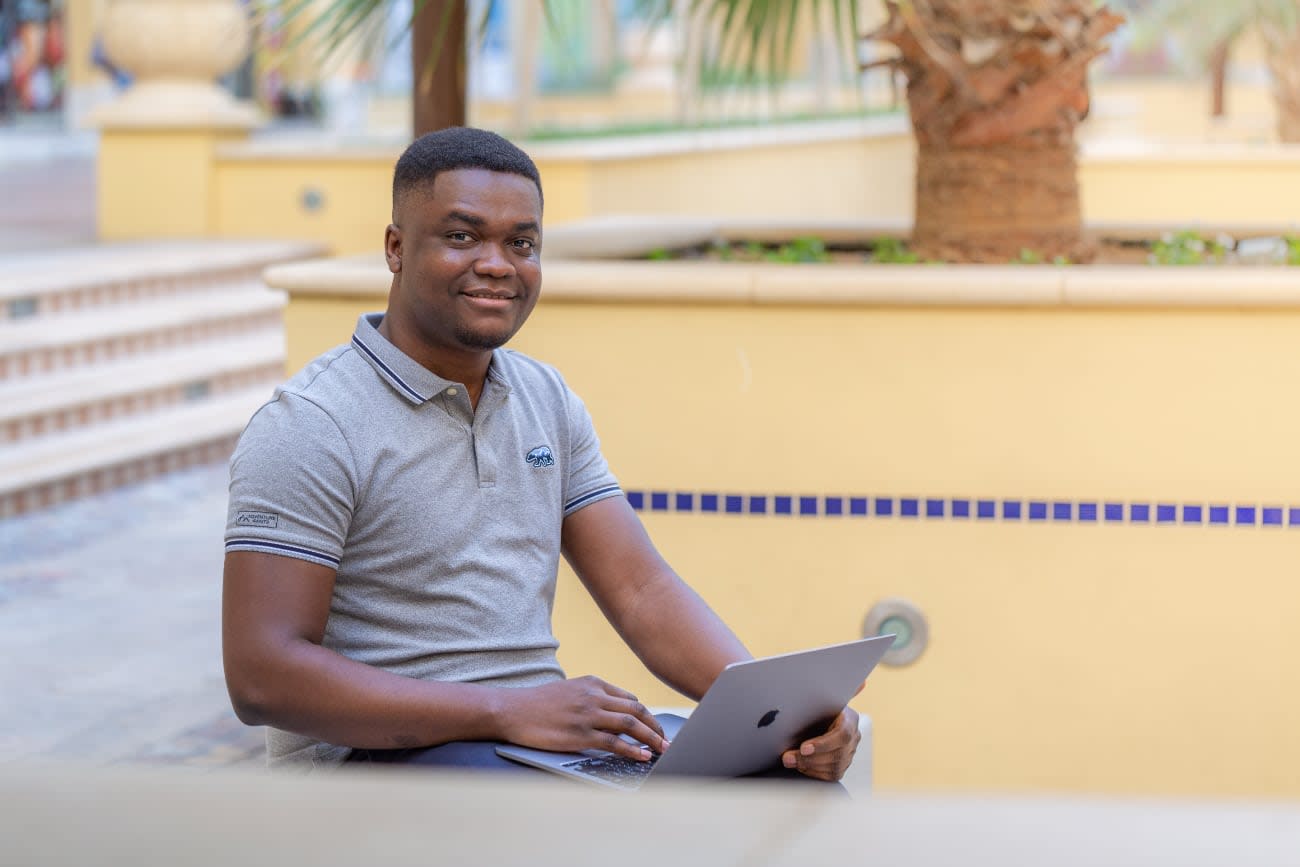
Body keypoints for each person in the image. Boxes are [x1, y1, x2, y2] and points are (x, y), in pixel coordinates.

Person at [222, 126, 861, 782]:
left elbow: (643, 590)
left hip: (527, 746)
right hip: (375, 769)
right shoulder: (312, 424)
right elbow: (261, 675)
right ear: (396, 248)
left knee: (785, 783)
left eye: (521, 243)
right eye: (462, 236)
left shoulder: (544, 399)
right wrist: (505, 709)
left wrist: (772, 718)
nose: (498, 263)